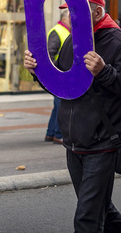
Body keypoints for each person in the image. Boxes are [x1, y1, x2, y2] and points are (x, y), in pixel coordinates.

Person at [23, 0, 121, 233]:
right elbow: (62, 88)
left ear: (97, 12)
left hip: (103, 144)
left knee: (86, 219)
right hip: (74, 144)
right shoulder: (72, 40)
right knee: (101, 209)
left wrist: (105, 72)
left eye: (76, 11)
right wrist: (38, 74)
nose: (70, 16)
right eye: (68, 11)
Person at [44, 8, 71, 144]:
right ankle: (58, 134)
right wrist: (58, 67)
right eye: (70, 16)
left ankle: (51, 133)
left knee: (57, 105)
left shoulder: (65, 31)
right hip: (60, 75)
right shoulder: (58, 31)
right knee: (61, 105)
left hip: (62, 74)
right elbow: (49, 53)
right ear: (65, 18)